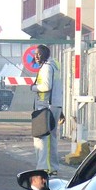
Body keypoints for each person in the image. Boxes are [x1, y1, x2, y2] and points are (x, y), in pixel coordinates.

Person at [30, 44, 62, 176]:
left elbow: (46, 86)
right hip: (54, 105)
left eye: (39, 54)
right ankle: (53, 167)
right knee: (52, 138)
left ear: (45, 54)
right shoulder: (55, 66)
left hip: (45, 106)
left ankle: (44, 167)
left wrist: (33, 87)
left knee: (42, 137)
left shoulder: (46, 67)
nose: (36, 56)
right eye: (35, 54)